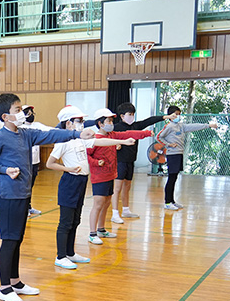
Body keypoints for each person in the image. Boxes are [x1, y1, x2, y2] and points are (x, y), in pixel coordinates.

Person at [0, 93, 95, 301]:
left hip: (23, 195)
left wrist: (76, 134)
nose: (23, 113)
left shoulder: (25, 134)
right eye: (17, 110)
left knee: (17, 240)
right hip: (8, 197)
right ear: (5, 116)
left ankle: (15, 282)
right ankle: (4, 288)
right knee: (9, 241)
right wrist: (4, 170)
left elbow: (50, 136)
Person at [46, 106, 135, 270]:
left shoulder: (80, 139)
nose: (82, 124)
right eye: (78, 121)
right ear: (68, 123)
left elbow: (101, 141)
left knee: (76, 220)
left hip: (81, 182)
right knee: (65, 222)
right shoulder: (62, 141)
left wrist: (122, 141)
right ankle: (60, 256)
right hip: (69, 183)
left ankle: (70, 253)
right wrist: (68, 169)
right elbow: (49, 163)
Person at [85, 108, 153, 245]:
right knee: (98, 204)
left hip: (111, 174)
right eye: (108, 121)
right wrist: (96, 162)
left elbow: (128, 133)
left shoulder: (112, 135)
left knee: (106, 203)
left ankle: (101, 229)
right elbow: (86, 156)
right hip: (99, 177)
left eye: (111, 120)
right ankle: (92, 233)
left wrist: (145, 133)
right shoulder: (94, 140)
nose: (111, 123)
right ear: (100, 124)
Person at [110, 104, 173, 223]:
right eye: (129, 114)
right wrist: (115, 145)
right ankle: (114, 213)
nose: (131, 117)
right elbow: (108, 140)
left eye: (133, 114)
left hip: (130, 161)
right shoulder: (116, 127)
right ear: (122, 116)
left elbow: (149, 120)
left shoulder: (136, 126)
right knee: (117, 187)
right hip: (119, 161)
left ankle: (126, 210)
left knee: (127, 187)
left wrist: (165, 117)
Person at [156, 105, 219, 210]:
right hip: (172, 155)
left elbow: (194, 126)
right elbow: (159, 136)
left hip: (179, 153)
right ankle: (167, 202)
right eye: (176, 114)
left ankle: (172, 201)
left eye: (179, 114)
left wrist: (208, 125)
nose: (178, 116)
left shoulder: (181, 126)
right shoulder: (169, 126)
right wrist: (168, 144)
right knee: (171, 178)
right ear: (170, 115)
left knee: (175, 177)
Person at [20, 104, 53, 216]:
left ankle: (29, 206)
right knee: (25, 185)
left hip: (35, 161)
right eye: (28, 113)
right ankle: (23, 207)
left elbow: (50, 130)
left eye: (31, 113)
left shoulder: (37, 125)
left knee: (31, 185)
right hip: (25, 161)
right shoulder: (21, 127)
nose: (30, 115)